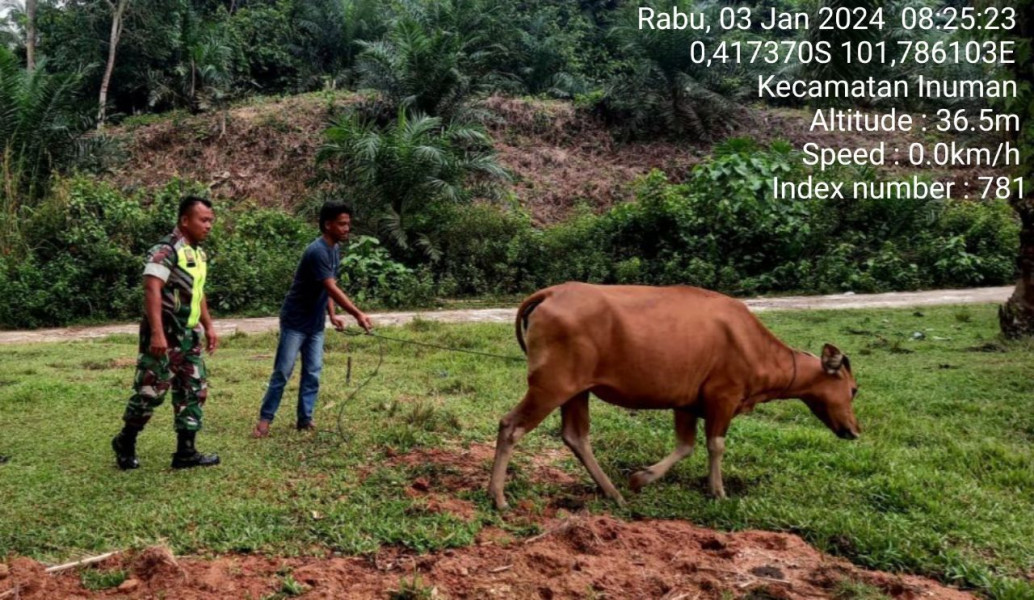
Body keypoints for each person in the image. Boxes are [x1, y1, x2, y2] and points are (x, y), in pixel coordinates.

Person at [111, 196, 220, 470]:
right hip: (165, 336)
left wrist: (208, 325)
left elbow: (198, 292)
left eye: (211, 221)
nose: (208, 226)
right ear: (185, 220)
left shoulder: (197, 253)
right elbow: (151, 289)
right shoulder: (165, 250)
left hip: (189, 335)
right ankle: (125, 441)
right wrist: (157, 334)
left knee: (193, 391)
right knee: (150, 392)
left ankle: (186, 452)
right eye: (203, 220)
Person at [252, 202, 373, 437]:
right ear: (327, 225)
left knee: (313, 372)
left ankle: (304, 419)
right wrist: (357, 314)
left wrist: (332, 314)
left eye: (348, 223)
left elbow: (327, 286)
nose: (347, 228)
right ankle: (264, 421)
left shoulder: (334, 249)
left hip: (315, 322)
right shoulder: (316, 251)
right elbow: (330, 286)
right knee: (283, 371)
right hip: (296, 320)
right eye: (342, 224)